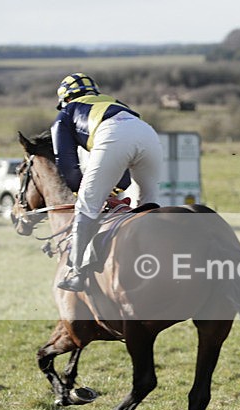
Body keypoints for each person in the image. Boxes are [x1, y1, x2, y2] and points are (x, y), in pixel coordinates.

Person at [50, 73, 163, 292]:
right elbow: (123, 167)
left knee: (86, 204)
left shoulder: (66, 113)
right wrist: (114, 189)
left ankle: (76, 271)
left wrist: (80, 191)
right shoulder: (114, 102)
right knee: (146, 205)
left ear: (66, 98)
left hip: (113, 134)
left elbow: (65, 161)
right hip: (148, 134)